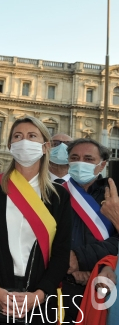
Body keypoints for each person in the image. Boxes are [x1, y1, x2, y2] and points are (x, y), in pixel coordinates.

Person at [0, 116, 71, 324]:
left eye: (32, 136)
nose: (24, 141)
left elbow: (61, 253)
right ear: (10, 145)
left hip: (38, 299)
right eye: (17, 136)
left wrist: (40, 295)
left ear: (45, 146)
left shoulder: (59, 195)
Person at [62, 138, 118, 322]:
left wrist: (84, 260)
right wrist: (68, 266)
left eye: (88, 159)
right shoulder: (55, 194)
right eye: (75, 157)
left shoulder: (113, 197)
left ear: (102, 165)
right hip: (59, 285)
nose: (80, 163)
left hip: (101, 284)